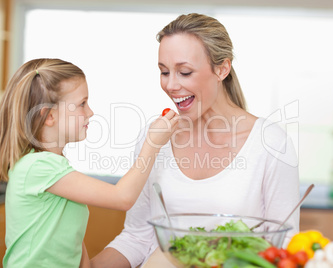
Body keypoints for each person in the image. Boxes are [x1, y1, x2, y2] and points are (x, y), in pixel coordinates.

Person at [91, 13, 300, 268]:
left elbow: (284, 245)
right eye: (164, 72)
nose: (171, 85)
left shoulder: (271, 143)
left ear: (222, 68)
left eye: (185, 72)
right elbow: (137, 237)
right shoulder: (156, 137)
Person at [0, 58, 178, 268]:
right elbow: (123, 198)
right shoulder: (38, 166)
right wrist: (152, 144)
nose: (90, 112)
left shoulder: (54, 166)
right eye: (82, 104)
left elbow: (72, 244)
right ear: (49, 116)